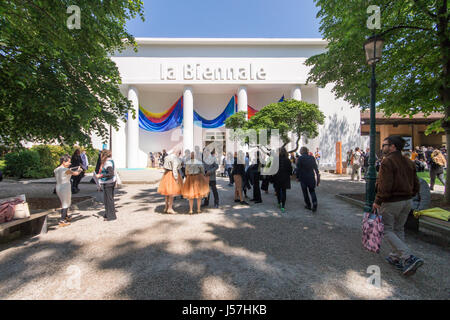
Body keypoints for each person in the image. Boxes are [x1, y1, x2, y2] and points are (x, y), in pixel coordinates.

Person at [373, 135, 422, 276]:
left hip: (392, 201)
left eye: (385, 145)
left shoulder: (388, 162)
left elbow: (384, 185)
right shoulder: (408, 161)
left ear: (392, 146)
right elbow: (416, 183)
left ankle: (407, 256)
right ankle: (396, 257)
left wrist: (378, 201)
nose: (383, 147)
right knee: (399, 228)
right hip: (407, 200)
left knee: (386, 229)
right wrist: (411, 194)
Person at [54, 154, 82, 227]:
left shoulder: (56, 169)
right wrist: (79, 170)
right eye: (68, 162)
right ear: (63, 162)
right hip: (65, 187)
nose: (70, 163)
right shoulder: (66, 170)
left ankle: (66, 216)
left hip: (58, 187)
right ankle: (62, 220)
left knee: (63, 202)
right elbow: (76, 173)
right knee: (66, 203)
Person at [158, 149, 183, 214]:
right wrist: (176, 178)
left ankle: (166, 207)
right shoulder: (175, 159)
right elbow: (174, 169)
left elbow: (164, 166)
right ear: (178, 153)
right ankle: (170, 208)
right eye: (180, 153)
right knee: (172, 193)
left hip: (166, 174)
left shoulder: (166, 157)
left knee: (167, 193)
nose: (179, 155)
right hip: (172, 175)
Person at [296, 147, 320, 212]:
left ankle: (308, 205)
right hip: (311, 177)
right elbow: (316, 168)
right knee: (312, 191)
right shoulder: (312, 158)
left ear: (301, 151)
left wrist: (297, 177)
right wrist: (318, 177)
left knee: (305, 192)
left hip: (303, 178)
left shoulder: (300, 158)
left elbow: (298, 168)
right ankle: (314, 203)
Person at [96, 150, 117, 221]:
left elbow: (111, 173)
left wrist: (101, 175)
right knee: (108, 199)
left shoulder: (107, 163)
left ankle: (111, 216)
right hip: (111, 182)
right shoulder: (110, 161)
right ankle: (108, 214)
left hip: (108, 182)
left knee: (108, 199)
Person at [273, 148, 293, 212]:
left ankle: (279, 203)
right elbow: (290, 169)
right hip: (285, 177)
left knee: (278, 191)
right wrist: (290, 174)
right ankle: (283, 206)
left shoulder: (276, 160)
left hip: (277, 177)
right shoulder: (288, 160)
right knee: (284, 192)